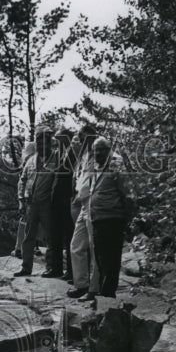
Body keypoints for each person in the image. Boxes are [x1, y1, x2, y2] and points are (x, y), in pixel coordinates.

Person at [88, 136, 135, 299]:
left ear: (109, 150)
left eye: (102, 149)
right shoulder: (97, 166)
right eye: (96, 150)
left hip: (112, 218)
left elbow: (127, 193)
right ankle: (104, 292)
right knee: (101, 258)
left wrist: (127, 218)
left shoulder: (116, 165)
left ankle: (108, 295)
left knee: (111, 258)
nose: (98, 152)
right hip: (98, 218)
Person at [15, 125, 59, 278]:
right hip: (31, 203)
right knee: (28, 236)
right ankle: (26, 267)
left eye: (44, 143)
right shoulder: (31, 160)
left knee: (50, 236)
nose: (41, 146)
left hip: (48, 203)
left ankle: (51, 267)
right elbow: (22, 180)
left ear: (49, 143)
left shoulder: (56, 158)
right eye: (38, 143)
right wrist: (21, 200)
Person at [67, 124, 100, 300]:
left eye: (86, 138)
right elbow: (80, 178)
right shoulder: (84, 156)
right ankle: (81, 284)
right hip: (82, 203)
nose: (83, 142)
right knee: (76, 245)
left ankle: (93, 289)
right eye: (81, 139)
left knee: (94, 247)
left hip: (94, 204)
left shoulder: (103, 155)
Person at [50, 128, 76, 282]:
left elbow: (71, 177)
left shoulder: (72, 154)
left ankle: (71, 271)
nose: (57, 142)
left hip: (66, 199)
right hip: (57, 199)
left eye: (60, 139)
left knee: (69, 235)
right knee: (56, 235)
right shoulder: (61, 154)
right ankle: (57, 268)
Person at [12, 140, 36, 259]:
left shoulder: (32, 162)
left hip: (33, 196)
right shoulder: (28, 163)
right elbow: (21, 183)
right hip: (28, 197)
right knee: (25, 222)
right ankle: (19, 248)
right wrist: (21, 199)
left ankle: (29, 247)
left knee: (31, 223)